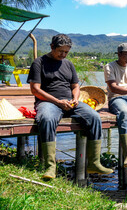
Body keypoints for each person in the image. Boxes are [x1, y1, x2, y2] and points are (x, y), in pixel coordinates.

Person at [27, 34, 113, 179]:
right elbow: (35, 89)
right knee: (46, 119)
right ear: (52, 47)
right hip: (48, 102)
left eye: (66, 52)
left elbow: (75, 86)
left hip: (70, 102)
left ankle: (94, 163)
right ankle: (50, 167)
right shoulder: (39, 63)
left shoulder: (68, 64)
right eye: (61, 51)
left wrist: (75, 98)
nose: (63, 54)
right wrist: (57, 101)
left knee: (94, 117)